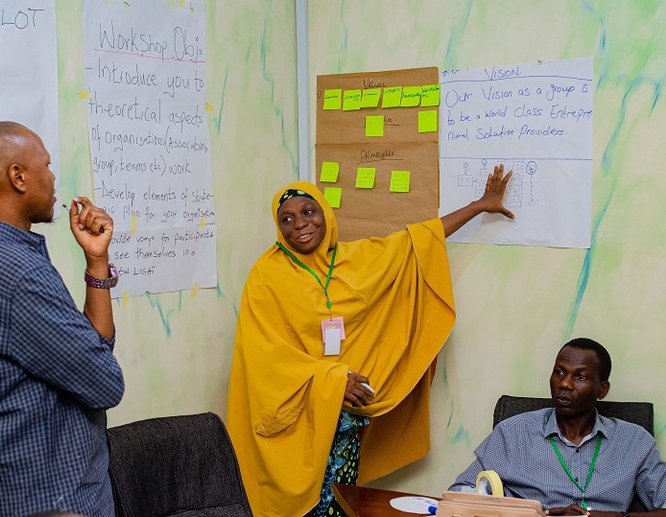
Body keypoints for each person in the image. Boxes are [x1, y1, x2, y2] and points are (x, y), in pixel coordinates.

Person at [226, 165, 515, 517]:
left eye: (308, 211)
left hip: (346, 417)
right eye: (286, 219)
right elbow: (263, 354)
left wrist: (480, 205)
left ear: (325, 215)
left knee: (339, 502)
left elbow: (417, 242)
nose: (299, 223)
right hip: (298, 418)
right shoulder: (266, 276)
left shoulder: (356, 259)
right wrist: (333, 381)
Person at [0, 121, 125, 516]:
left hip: (9, 487)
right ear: (19, 177)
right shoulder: (17, 274)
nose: (53, 176)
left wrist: (97, 259)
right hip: (49, 499)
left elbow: (93, 351)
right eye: (46, 165)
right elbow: (106, 383)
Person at [449, 338, 666, 516]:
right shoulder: (514, 432)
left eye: (579, 376)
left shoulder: (634, 441)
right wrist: (534, 513)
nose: (564, 384)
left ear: (602, 389)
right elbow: (459, 493)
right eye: (559, 372)